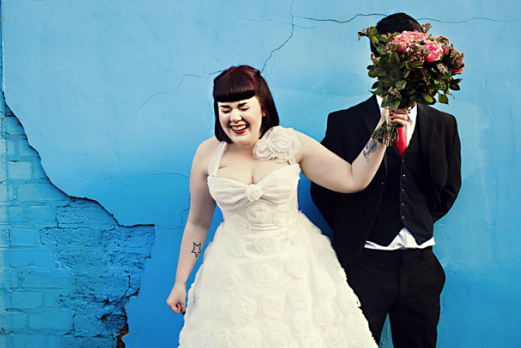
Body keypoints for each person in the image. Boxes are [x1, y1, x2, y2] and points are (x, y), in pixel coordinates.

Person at [166, 65, 407, 347]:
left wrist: (383, 130)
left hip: (296, 268)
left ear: (263, 108)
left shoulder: (292, 143)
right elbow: (197, 222)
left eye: (243, 106)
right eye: (225, 109)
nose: (234, 117)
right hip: (231, 272)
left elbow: (353, 179)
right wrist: (180, 282)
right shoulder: (207, 153)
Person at [310, 13, 462, 348]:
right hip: (363, 265)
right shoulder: (344, 123)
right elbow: (323, 191)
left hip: (421, 265)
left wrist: (416, 221)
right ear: (375, 60)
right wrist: (357, 227)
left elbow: (448, 189)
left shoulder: (444, 125)